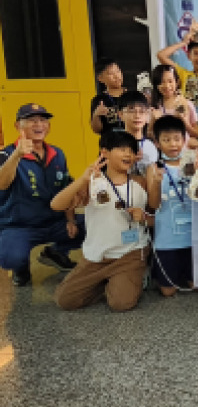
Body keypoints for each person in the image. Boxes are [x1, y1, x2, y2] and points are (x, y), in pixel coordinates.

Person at [52, 132, 151, 312]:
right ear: (104, 153)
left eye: (131, 150)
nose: (128, 154)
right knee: (65, 300)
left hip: (130, 254)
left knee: (121, 304)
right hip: (96, 256)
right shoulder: (93, 184)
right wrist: (83, 179)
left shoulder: (140, 182)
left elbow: (154, 214)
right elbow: (56, 205)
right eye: (122, 149)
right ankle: (109, 283)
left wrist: (144, 216)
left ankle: (130, 279)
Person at [0, 104, 82, 286]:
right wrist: (17, 156)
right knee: (10, 258)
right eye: (32, 120)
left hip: (55, 222)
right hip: (20, 226)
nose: (39, 125)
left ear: (49, 126)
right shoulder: (6, 154)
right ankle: (20, 268)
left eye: (43, 120)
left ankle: (56, 253)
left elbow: (65, 188)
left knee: (92, 224)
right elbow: (2, 183)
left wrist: (70, 220)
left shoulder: (57, 153)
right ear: (18, 126)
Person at [145, 116, 193, 297]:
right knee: (168, 291)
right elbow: (153, 205)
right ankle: (158, 273)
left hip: (193, 236)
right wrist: (157, 183)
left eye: (177, 139)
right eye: (166, 140)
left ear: (184, 139)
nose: (173, 144)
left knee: (196, 285)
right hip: (167, 238)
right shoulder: (154, 168)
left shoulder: (193, 163)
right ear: (157, 143)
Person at [150, 64, 198, 138]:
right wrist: (153, 120)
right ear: (156, 85)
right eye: (162, 82)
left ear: (177, 82)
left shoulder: (187, 104)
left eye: (170, 81)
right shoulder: (154, 107)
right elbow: (148, 135)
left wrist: (184, 121)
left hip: (185, 145)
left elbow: (196, 134)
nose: (167, 86)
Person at [118, 91, 159, 176]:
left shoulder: (151, 146)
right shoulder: (114, 145)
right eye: (131, 111)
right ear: (120, 114)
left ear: (147, 115)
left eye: (142, 111)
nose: (137, 116)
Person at [90, 57, 126, 134]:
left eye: (118, 71)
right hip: (110, 139)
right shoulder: (99, 100)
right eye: (111, 73)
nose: (116, 76)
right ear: (100, 78)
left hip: (131, 139)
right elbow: (97, 130)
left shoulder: (133, 95)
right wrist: (96, 115)